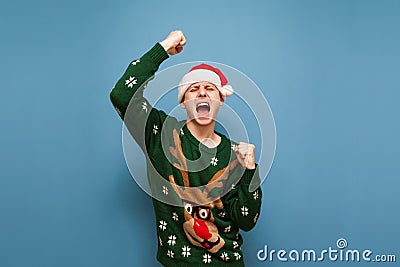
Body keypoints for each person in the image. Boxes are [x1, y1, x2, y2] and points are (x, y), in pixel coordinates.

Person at [110, 30, 262, 266]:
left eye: (210, 88)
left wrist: (250, 171)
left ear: (221, 99)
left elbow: (246, 221)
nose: (202, 92)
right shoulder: (160, 133)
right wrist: (162, 49)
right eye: (193, 89)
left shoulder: (236, 155)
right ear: (183, 101)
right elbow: (121, 94)